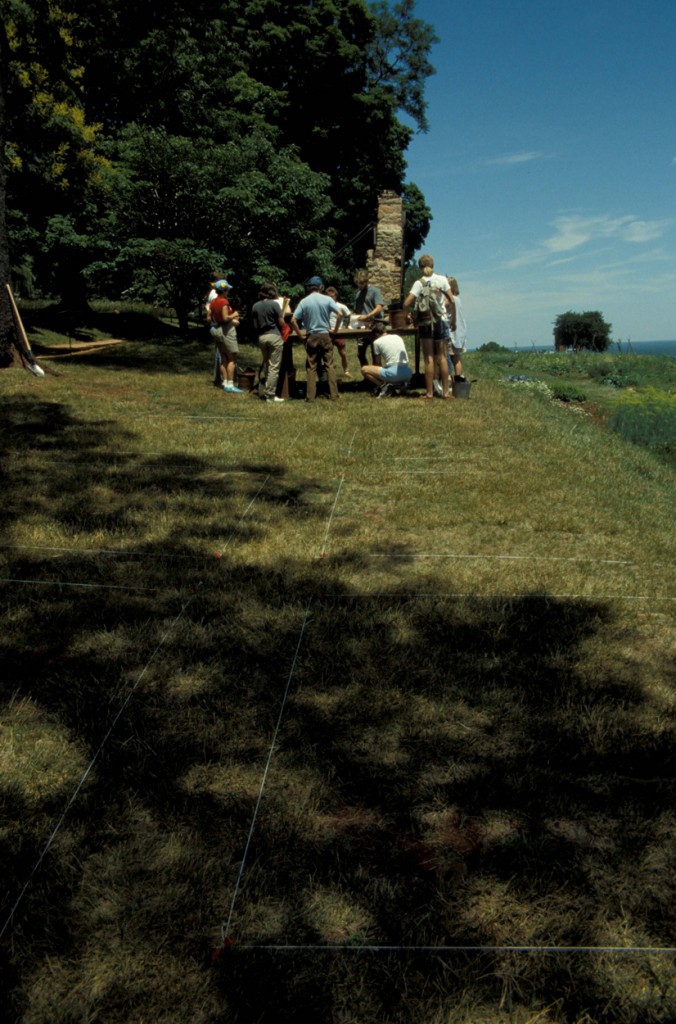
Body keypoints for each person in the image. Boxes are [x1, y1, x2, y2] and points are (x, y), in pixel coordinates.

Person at [403, 254, 455, 401]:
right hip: (441, 320)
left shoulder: (419, 283)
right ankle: (445, 393)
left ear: (420, 267)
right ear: (433, 265)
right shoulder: (442, 280)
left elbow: (406, 303)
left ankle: (429, 393)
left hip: (426, 322)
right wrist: (444, 310)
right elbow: (451, 300)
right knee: (442, 357)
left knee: (428, 358)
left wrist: (407, 316)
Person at [290, 276, 341, 403]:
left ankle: (310, 397)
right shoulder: (327, 299)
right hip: (325, 335)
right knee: (329, 365)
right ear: (321, 287)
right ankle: (334, 395)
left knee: (311, 366)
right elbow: (340, 314)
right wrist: (335, 330)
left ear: (309, 288)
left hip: (312, 335)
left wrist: (300, 335)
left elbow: (293, 320)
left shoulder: (304, 301)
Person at [360, 315, 412, 397]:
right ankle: (403, 383)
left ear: (376, 334)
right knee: (389, 368)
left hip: (393, 374)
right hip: (407, 372)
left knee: (364, 369)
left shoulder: (376, 342)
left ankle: (384, 386)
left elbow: (377, 364)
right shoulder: (397, 337)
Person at [252, 284, 286, 403]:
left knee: (267, 365)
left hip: (262, 337)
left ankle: (266, 390)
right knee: (274, 367)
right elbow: (281, 322)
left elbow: (255, 325)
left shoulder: (255, 306)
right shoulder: (275, 304)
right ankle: (270, 395)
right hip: (274, 336)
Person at [208, 279, 244, 393]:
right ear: (224, 291)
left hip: (218, 329)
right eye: (227, 290)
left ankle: (225, 382)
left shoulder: (213, 302)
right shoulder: (224, 301)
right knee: (232, 358)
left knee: (223, 358)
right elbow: (225, 318)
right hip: (227, 331)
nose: (228, 292)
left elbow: (209, 318)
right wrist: (234, 314)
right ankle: (230, 385)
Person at [353, 270, 384, 368]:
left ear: (367, 281)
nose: (360, 286)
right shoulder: (358, 294)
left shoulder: (375, 291)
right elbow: (357, 311)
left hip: (375, 325)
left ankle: (377, 376)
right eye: (358, 284)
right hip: (362, 327)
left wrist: (367, 316)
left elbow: (379, 307)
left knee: (376, 355)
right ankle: (368, 374)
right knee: (360, 353)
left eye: (362, 283)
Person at [325, 286, 351, 378]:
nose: (331, 298)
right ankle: (331, 371)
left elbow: (348, 315)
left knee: (343, 353)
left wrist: (346, 326)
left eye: (332, 296)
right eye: (328, 296)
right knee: (328, 353)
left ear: (335, 296)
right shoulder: (324, 306)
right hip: (328, 332)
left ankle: (346, 370)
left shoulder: (341, 306)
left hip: (339, 332)